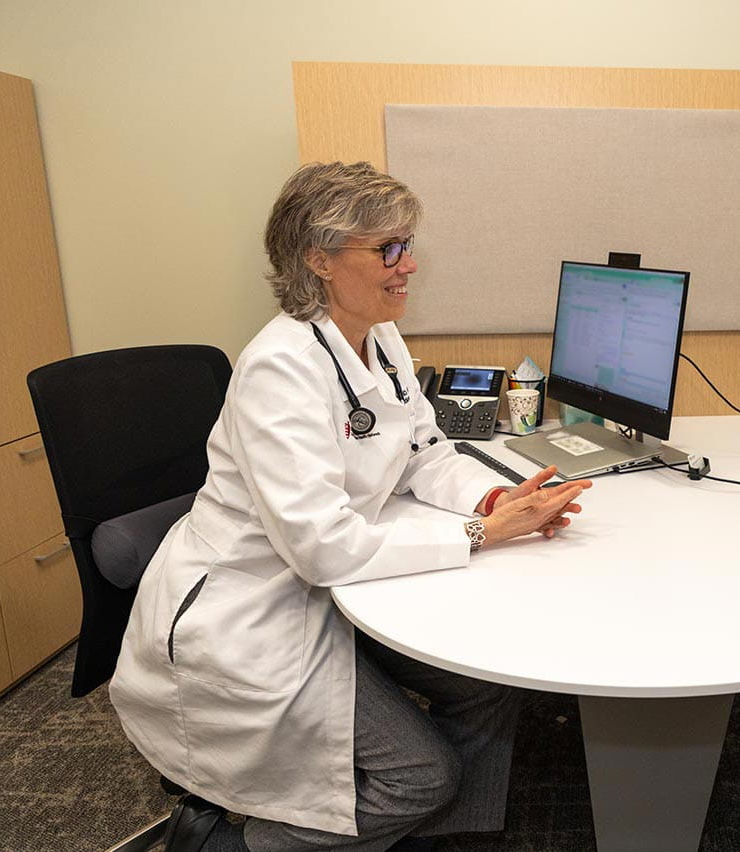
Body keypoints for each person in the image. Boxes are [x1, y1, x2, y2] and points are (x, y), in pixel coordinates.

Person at [108, 161, 592, 852]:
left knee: (486, 685)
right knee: (421, 775)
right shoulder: (279, 368)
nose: (409, 265)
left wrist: (495, 498)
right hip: (252, 610)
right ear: (319, 259)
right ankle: (234, 847)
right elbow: (321, 548)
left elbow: (424, 452)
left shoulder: (380, 336)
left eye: (408, 245)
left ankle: (445, 838)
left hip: (331, 590)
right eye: (388, 250)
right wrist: (483, 533)